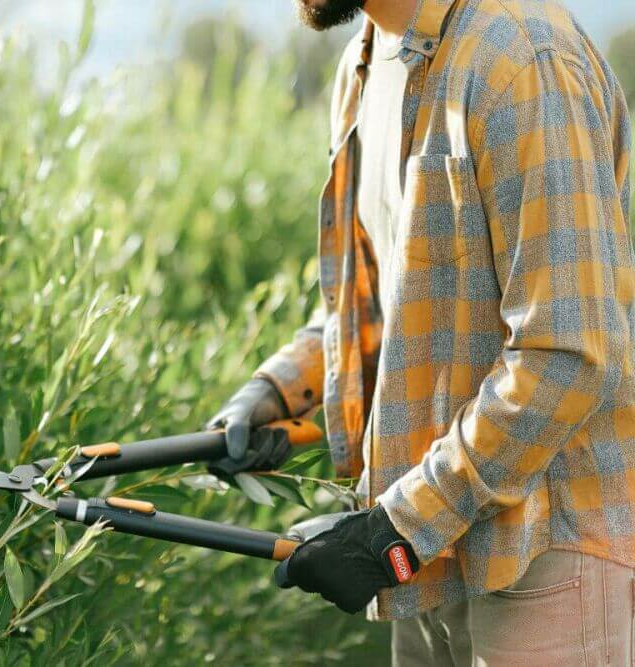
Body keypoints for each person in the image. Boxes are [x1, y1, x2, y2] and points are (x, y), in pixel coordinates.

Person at [208, 0, 635, 663]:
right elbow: (387, 298)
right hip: (432, 560)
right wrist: (279, 388)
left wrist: (397, 529)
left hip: (546, 562)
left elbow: (567, 352)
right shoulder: (366, 61)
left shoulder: (521, 58)